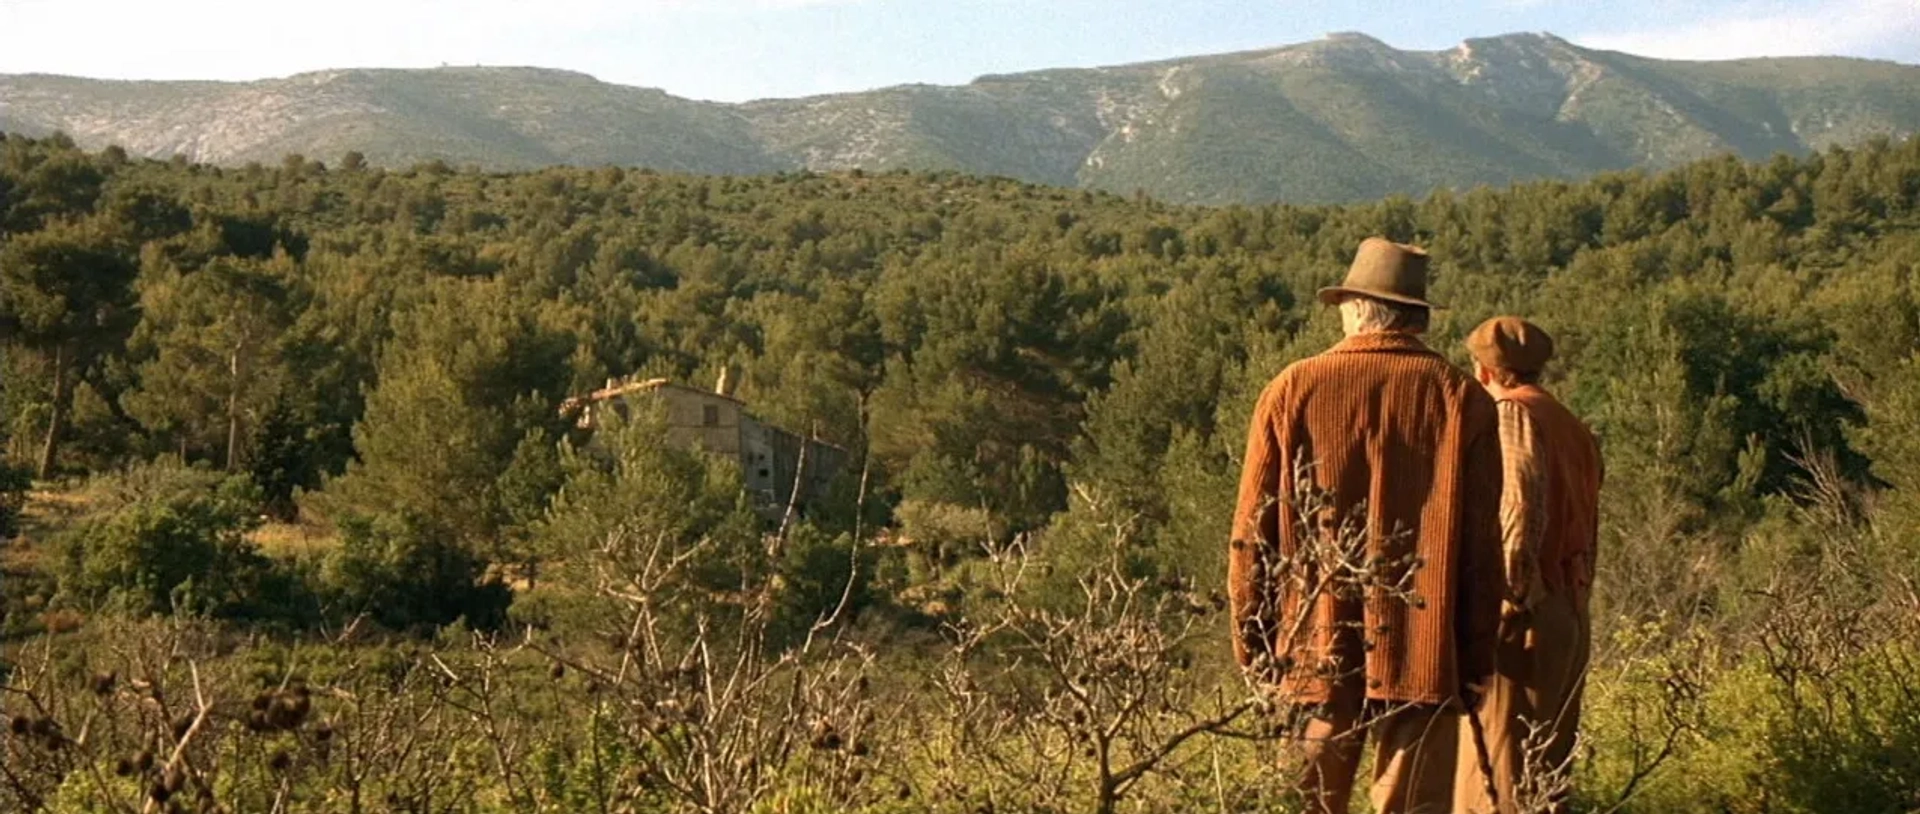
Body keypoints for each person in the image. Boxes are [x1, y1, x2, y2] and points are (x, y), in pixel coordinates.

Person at [1230, 237, 1505, 814]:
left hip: (1314, 632)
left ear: (1355, 308)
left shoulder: (1291, 388)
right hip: (1426, 641)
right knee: (1412, 801)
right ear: (1417, 316)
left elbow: (1254, 531)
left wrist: (1252, 640)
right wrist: (1478, 654)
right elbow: (1483, 546)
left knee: (1309, 799)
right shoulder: (1462, 398)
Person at [1455, 316, 1604, 814]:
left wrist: (1509, 600)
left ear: (1484, 370)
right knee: (1548, 768)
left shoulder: (1510, 415)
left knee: (1501, 772)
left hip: (1528, 615)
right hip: (1568, 606)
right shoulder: (1570, 424)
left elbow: (1519, 509)